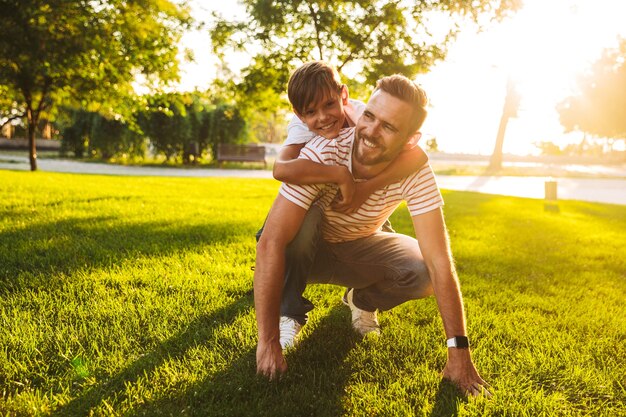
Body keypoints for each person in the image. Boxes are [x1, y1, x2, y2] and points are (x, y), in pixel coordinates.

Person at [254, 74, 490, 396]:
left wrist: (459, 351)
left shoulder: (415, 171)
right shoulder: (323, 151)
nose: (370, 131)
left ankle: (360, 301)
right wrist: (266, 342)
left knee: (424, 271)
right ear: (361, 110)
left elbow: (439, 260)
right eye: (369, 116)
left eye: (389, 127)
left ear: (410, 139)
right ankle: (288, 312)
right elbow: (271, 242)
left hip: (360, 250)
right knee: (298, 224)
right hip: (309, 256)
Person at [272, 61, 428, 211]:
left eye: (329, 104)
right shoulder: (301, 125)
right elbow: (280, 168)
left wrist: (366, 188)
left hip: (356, 194)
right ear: (300, 115)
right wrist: (340, 174)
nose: (323, 117)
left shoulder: (361, 113)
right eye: (311, 111)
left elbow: (418, 156)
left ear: (344, 95)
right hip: (309, 196)